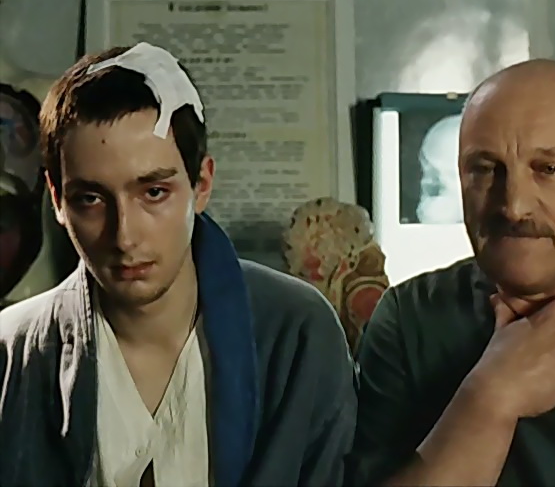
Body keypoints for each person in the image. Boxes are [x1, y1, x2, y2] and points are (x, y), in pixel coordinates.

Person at [0, 42, 357, 487]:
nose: (124, 236)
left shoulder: (296, 333)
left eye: (154, 193)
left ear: (201, 184)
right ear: (57, 199)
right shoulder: (12, 353)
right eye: (90, 199)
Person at [351, 59, 555, 486]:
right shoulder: (411, 320)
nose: (514, 206)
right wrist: (489, 401)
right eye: (486, 169)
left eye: (548, 169)